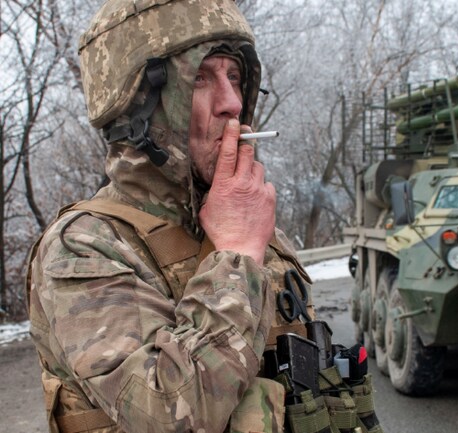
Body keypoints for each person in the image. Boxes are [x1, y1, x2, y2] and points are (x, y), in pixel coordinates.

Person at [26, 1, 308, 432]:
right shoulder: (84, 246)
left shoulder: (252, 226)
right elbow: (167, 413)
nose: (232, 103)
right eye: (200, 78)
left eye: (235, 76)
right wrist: (235, 256)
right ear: (141, 105)